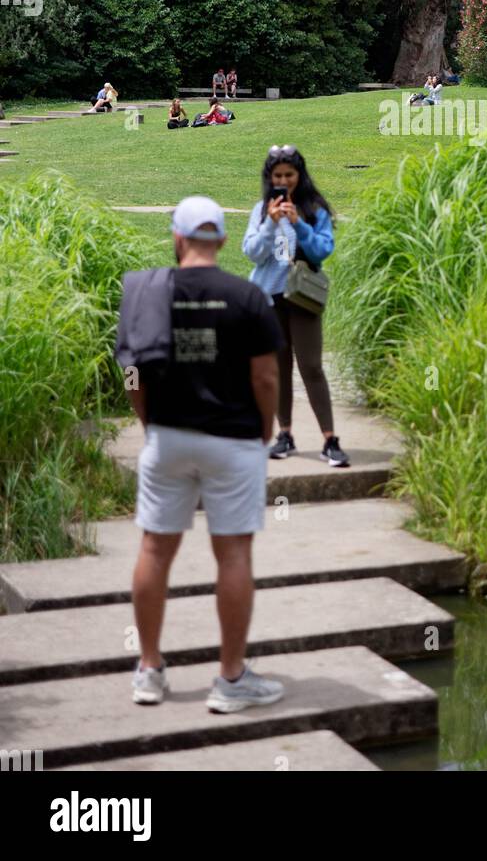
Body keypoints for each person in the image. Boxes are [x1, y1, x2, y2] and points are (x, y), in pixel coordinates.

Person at [118, 195, 286, 712]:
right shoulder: (247, 296)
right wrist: (264, 429)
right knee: (233, 554)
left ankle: (149, 670)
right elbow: (265, 375)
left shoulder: (146, 292)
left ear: (178, 237)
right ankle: (231, 681)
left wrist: (150, 423)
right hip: (232, 441)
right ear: (220, 240)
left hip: (168, 438)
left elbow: (130, 374)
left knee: (153, 550)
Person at [242, 145, 349, 468]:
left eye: (289, 175)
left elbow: (321, 251)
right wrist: (271, 223)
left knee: (312, 367)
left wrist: (298, 223)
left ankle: (330, 440)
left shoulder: (314, 209)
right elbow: (252, 252)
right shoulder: (262, 209)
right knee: (279, 368)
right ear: (269, 178)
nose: (284, 181)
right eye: (278, 176)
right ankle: (284, 434)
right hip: (269, 297)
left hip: (303, 297)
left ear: (300, 176)